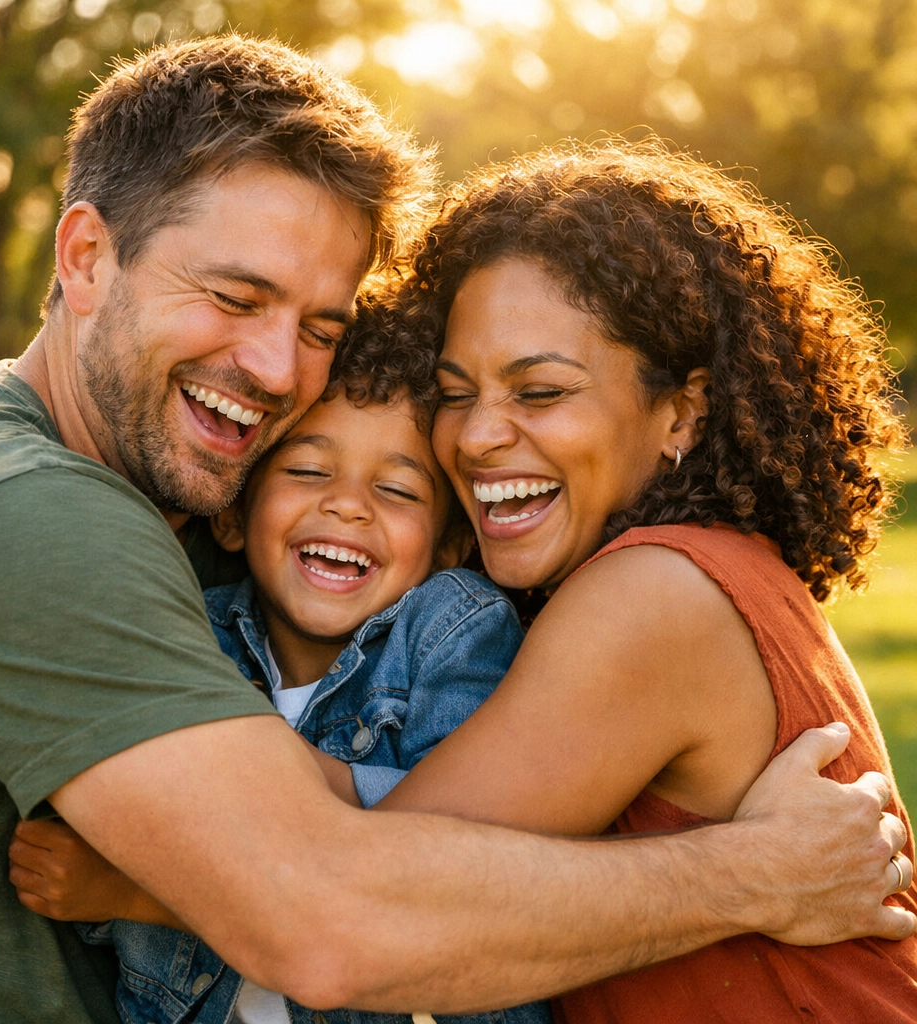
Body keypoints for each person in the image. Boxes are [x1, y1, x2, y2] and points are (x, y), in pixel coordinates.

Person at [0, 32, 911, 1024]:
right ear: (83, 257)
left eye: (320, 328)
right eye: (233, 295)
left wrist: (769, 874)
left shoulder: (649, 591)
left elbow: (351, 903)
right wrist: (759, 872)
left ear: (681, 411)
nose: (280, 370)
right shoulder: (31, 512)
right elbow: (338, 906)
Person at [310, 138, 915, 1019]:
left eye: (540, 392)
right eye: (455, 391)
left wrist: (130, 881)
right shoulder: (710, 569)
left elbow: (373, 914)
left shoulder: (655, 597)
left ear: (680, 412)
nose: (476, 437)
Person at [9, 301, 545, 1024]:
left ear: (448, 546)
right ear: (232, 514)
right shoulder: (191, 636)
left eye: (396, 490)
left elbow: (460, 856)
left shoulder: (450, 631)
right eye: (307, 469)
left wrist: (141, 891)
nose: (348, 506)